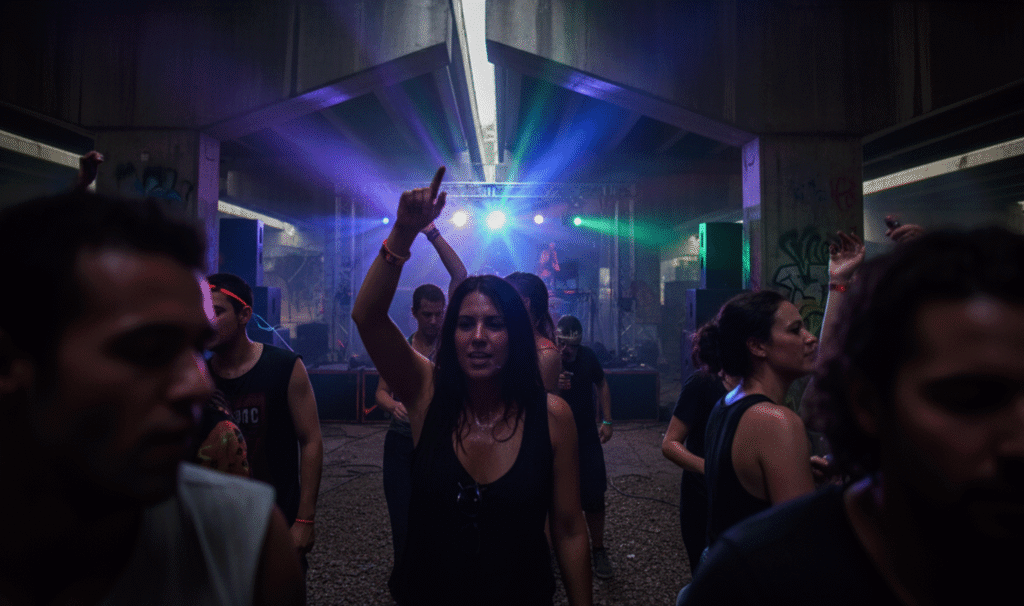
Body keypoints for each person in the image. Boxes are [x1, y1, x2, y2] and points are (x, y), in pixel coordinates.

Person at [682, 226, 1024, 605]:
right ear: (869, 404)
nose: (1018, 442)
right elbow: (804, 544)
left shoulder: (729, 402)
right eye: (970, 399)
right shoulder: (767, 566)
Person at [0, 190, 303, 604]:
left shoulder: (243, 540)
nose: (199, 386)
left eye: (199, 348)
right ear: (9, 364)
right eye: (148, 349)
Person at [351, 167, 592, 606]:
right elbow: (367, 317)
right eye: (465, 324)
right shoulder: (427, 393)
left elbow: (570, 528)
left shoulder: (552, 417)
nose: (478, 336)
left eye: (494, 324)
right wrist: (403, 232)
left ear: (516, 335)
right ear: (451, 334)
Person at [206, 272, 324, 564]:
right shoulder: (198, 379)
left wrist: (305, 520)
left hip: (276, 520)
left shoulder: (284, 366)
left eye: (217, 311)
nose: (208, 320)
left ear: (244, 314)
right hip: (218, 526)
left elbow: (311, 441)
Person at [375, 221, 467, 577]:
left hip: (443, 437)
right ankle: (406, 578)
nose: (433, 320)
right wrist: (393, 405)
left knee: (444, 513)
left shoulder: (450, 341)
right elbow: (380, 393)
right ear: (414, 313)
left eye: (439, 313)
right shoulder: (402, 347)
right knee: (402, 515)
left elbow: (459, 274)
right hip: (401, 443)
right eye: (427, 314)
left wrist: (431, 233)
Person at [660, 322, 740, 574]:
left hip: (736, 499)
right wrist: (711, 468)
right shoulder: (702, 383)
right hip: (702, 499)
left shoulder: (750, 388)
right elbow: (670, 444)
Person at [555, 315, 615, 579]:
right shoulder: (549, 359)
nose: (566, 350)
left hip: (586, 435)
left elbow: (601, 383)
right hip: (556, 436)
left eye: (571, 346)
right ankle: (556, 549)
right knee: (554, 494)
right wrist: (553, 384)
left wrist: (607, 420)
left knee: (594, 494)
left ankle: (598, 548)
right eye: (562, 344)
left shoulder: (588, 357)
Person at [504, 271, 562, 393]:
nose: (499, 303)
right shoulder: (508, 342)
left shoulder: (545, 354)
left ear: (525, 303)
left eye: (505, 298)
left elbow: (539, 404)